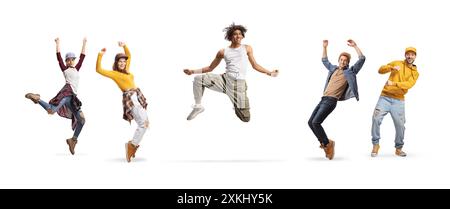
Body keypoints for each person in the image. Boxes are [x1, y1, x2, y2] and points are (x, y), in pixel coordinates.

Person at [183, 23, 279, 122]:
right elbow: (210, 67)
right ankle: (198, 106)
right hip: (224, 80)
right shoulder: (223, 51)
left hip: (239, 86)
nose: (238, 36)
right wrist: (192, 71)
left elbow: (255, 65)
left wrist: (269, 73)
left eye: (240, 34)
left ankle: (236, 104)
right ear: (230, 36)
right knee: (198, 79)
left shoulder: (247, 48)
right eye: (235, 34)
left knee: (246, 118)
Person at [25, 37, 87, 155]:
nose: (69, 61)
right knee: (51, 111)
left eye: (71, 60)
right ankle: (37, 99)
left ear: (74, 60)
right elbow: (58, 58)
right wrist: (58, 44)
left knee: (82, 120)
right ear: (66, 61)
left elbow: (83, 57)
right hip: (66, 93)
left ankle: (72, 141)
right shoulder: (65, 69)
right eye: (67, 60)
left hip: (73, 98)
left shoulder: (76, 69)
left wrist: (84, 43)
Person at [308, 39, 365, 160]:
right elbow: (324, 60)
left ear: (348, 62)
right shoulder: (333, 69)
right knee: (310, 122)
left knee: (316, 123)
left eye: (345, 60)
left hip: (331, 101)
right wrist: (324, 47)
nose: (343, 62)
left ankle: (327, 144)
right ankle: (326, 143)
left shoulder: (350, 72)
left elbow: (362, 59)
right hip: (323, 99)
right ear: (338, 60)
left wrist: (355, 46)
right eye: (341, 60)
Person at [96, 41, 149, 163]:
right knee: (143, 124)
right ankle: (131, 146)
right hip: (131, 99)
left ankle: (132, 144)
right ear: (116, 63)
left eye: (124, 61)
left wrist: (124, 46)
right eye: (120, 62)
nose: (123, 63)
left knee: (145, 123)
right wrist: (100, 54)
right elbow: (98, 69)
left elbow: (129, 56)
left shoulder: (127, 69)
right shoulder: (114, 74)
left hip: (137, 96)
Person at [370, 47, 419, 157]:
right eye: (408, 54)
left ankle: (398, 148)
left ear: (415, 56)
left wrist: (395, 84)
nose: (410, 56)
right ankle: (375, 144)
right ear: (405, 55)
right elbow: (380, 70)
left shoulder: (415, 73)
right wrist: (391, 68)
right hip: (385, 97)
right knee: (376, 118)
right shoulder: (397, 63)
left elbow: (409, 85)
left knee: (400, 125)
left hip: (399, 101)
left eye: (412, 54)